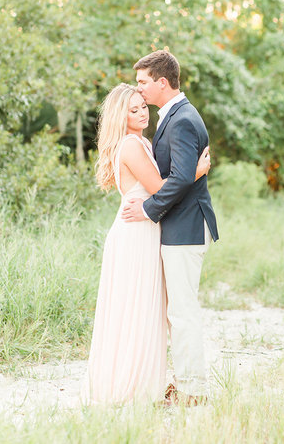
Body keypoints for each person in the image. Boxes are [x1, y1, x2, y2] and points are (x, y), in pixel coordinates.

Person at [83, 83, 210, 405]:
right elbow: (157, 188)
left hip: (145, 229)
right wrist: (196, 172)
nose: (142, 114)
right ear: (119, 116)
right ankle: (129, 387)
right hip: (135, 234)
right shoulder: (131, 146)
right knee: (135, 309)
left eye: (143, 106)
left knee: (144, 309)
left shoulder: (142, 142)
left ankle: (141, 382)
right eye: (133, 109)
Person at [121, 50, 219, 406]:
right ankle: (184, 381)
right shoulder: (174, 115)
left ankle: (193, 389)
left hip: (186, 226)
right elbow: (182, 175)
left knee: (182, 310)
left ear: (162, 82)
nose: (140, 90)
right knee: (176, 309)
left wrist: (148, 209)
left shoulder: (180, 120)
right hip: (179, 225)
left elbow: (178, 179)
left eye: (143, 83)